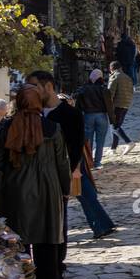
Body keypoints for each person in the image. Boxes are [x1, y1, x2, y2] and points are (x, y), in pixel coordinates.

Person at [0, 86, 71, 279]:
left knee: (19, 236)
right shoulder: (52, 128)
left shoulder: (8, 127)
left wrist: (11, 171)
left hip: (16, 187)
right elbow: (62, 162)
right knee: (47, 235)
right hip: (48, 187)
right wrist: (65, 188)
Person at [27, 71, 116, 241]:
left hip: (69, 164)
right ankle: (101, 225)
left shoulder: (70, 114)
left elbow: (77, 143)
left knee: (81, 196)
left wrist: (75, 168)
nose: (31, 91)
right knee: (81, 197)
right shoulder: (34, 113)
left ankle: (95, 227)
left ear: (48, 87)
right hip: (45, 168)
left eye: (34, 86)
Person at [75, 69, 113, 168]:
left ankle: (88, 162)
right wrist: (113, 119)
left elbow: (78, 105)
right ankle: (97, 163)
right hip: (102, 116)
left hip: (88, 116)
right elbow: (109, 106)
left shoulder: (83, 89)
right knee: (100, 141)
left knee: (88, 140)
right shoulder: (104, 89)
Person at [107, 61, 135, 153]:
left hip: (116, 105)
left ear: (112, 68)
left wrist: (107, 104)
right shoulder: (128, 77)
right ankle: (113, 148)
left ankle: (128, 142)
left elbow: (110, 93)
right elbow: (132, 92)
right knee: (116, 126)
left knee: (114, 127)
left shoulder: (115, 76)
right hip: (125, 104)